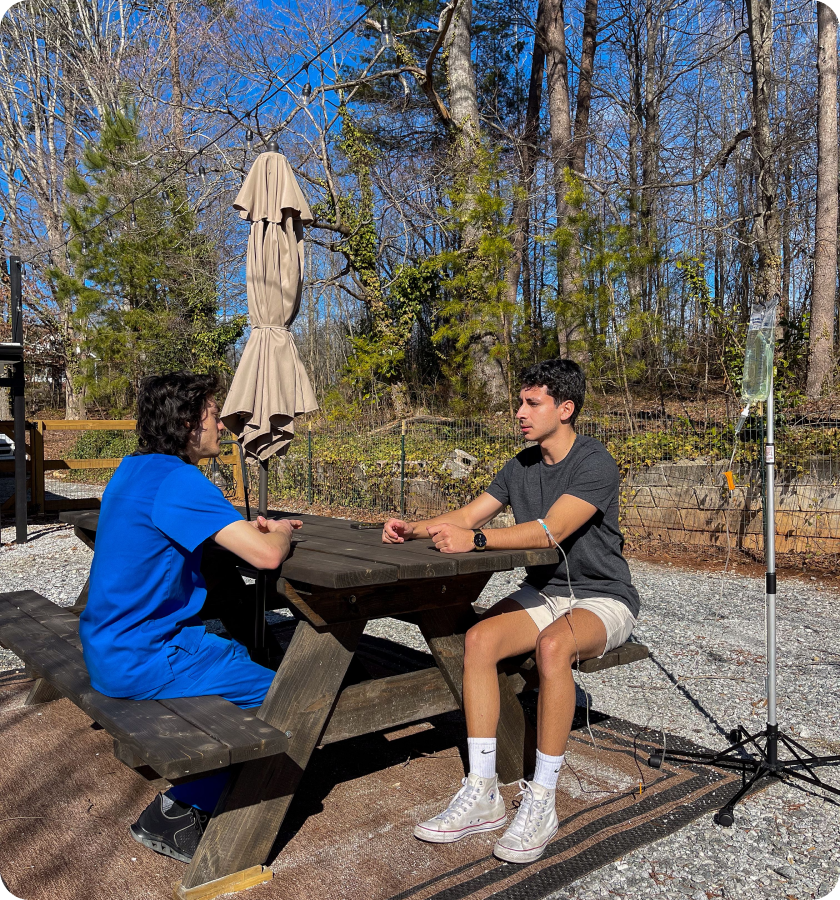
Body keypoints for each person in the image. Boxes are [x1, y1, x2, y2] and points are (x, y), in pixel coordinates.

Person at [382, 358, 639, 863]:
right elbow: (467, 515)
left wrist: (475, 541)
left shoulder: (594, 463)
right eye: (520, 401)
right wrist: (415, 528)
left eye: (532, 402)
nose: (520, 411)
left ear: (565, 409)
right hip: (544, 592)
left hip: (603, 596)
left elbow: (551, 531)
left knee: (553, 646)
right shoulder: (519, 465)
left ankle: (541, 798)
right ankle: (483, 790)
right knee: (478, 640)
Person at [79, 372, 300, 863]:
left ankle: (202, 785)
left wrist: (243, 529)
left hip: (107, 646)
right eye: (214, 416)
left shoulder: (134, 469)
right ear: (187, 422)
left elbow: (191, 529)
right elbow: (265, 557)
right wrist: (280, 531)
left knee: (236, 651)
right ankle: (183, 809)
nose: (222, 425)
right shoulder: (179, 479)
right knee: (292, 696)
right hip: (145, 658)